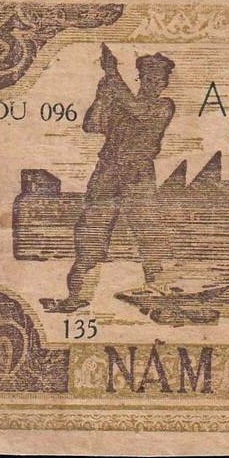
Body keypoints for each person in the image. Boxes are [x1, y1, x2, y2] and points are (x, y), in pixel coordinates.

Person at [44, 44, 175, 312]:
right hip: (107, 172)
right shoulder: (122, 102)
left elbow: (139, 111)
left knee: (148, 232)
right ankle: (77, 295)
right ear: (140, 78)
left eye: (158, 80)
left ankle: (159, 289)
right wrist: (103, 94)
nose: (153, 84)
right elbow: (92, 125)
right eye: (148, 78)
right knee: (90, 233)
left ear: (164, 84)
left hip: (138, 175)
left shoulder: (163, 106)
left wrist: (113, 76)